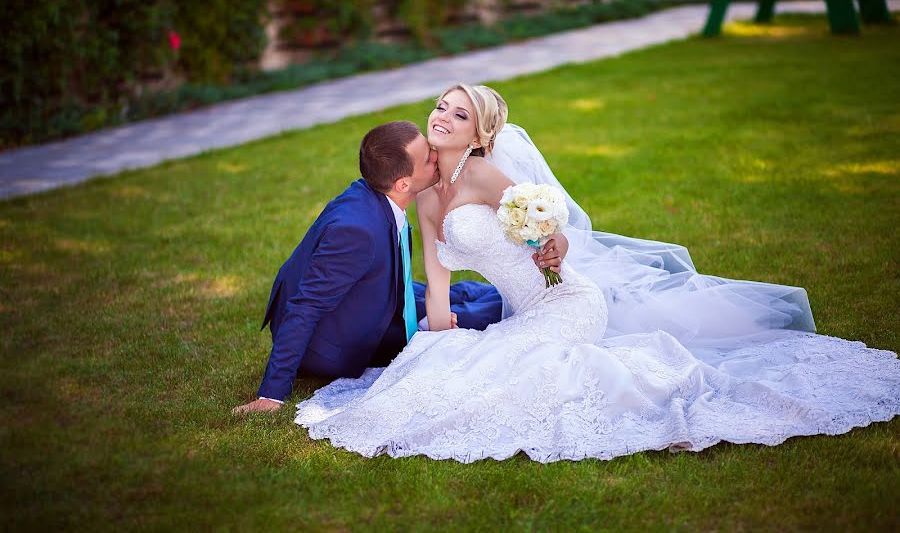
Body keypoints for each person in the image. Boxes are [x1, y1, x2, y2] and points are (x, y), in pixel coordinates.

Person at [293, 84, 900, 462]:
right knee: (447, 357)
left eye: (458, 113)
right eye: (439, 107)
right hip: (523, 308)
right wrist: (438, 317)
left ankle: (666, 403)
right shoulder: (428, 194)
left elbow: (547, 228)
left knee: (509, 367)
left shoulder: (484, 177)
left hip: (571, 301)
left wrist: (552, 245)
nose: (442, 117)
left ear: (480, 134)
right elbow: (435, 262)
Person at [233, 120, 567, 414]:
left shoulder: (376, 190)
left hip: (373, 293)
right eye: (427, 158)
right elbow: (305, 306)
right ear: (404, 183)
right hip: (335, 340)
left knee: (472, 293)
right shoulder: (355, 231)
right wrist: (272, 394)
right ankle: (433, 319)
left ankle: (453, 305)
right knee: (489, 314)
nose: (435, 154)